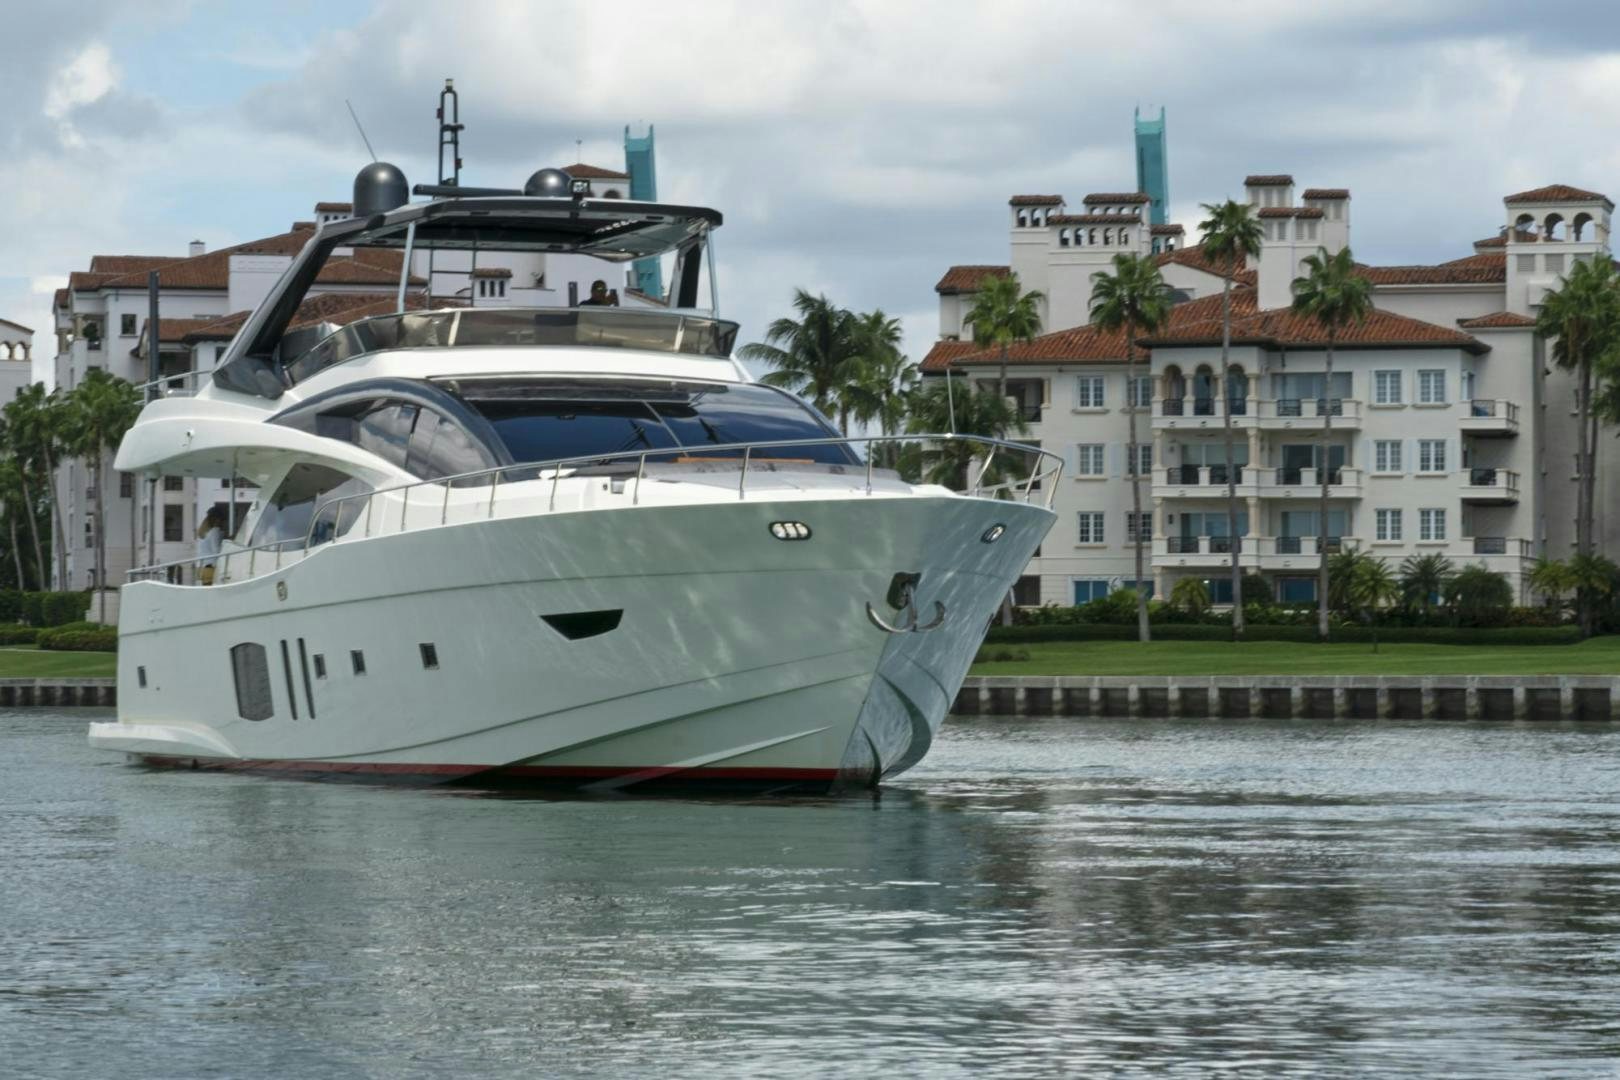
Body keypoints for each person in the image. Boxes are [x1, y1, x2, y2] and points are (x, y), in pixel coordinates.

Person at [196, 506, 225, 586]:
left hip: (202, 568)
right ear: (218, 519)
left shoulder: (203, 532)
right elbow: (217, 551)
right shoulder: (215, 531)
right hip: (211, 568)